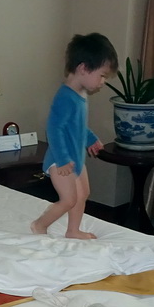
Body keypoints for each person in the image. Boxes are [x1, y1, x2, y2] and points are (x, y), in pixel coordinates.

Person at [31, 32, 118, 239]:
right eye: (102, 75)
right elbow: (54, 129)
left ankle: (73, 230)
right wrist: (62, 160)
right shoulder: (65, 97)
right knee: (69, 199)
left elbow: (77, 126)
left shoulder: (81, 95)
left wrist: (91, 139)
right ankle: (39, 225)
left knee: (83, 194)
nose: (103, 82)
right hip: (60, 160)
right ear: (83, 68)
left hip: (74, 157)